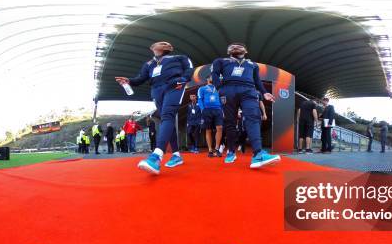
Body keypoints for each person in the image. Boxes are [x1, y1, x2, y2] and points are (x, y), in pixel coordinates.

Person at [115, 41, 194, 174]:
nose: (165, 44)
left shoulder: (179, 57)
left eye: (167, 43)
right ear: (152, 48)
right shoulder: (148, 64)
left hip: (174, 86)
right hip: (156, 90)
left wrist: (183, 79)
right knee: (166, 119)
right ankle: (176, 155)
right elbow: (140, 78)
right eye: (161, 43)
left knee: (167, 116)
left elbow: (189, 68)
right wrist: (129, 81)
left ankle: (156, 157)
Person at [211, 42, 280, 168]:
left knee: (253, 117)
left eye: (239, 45)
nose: (236, 46)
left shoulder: (252, 65)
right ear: (229, 51)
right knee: (230, 122)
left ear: (246, 51)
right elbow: (214, 75)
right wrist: (220, 88)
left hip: (248, 90)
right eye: (232, 46)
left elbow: (257, 80)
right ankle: (231, 151)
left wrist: (264, 93)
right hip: (228, 90)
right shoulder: (220, 61)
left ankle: (258, 154)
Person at [198, 77, 224, 157]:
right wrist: (203, 110)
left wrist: (222, 110)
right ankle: (210, 150)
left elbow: (221, 99)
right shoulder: (202, 89)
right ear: (207, 79)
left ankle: (216, 149)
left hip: (217, 109)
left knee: (219, 128)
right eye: (211, 76)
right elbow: (200, 99)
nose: (213, 78)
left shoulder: (218, 88)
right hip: (207, 110)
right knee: (208, 129)